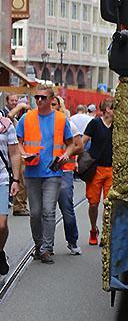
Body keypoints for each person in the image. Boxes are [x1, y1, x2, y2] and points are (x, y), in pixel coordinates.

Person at [15, 87, 76, 263]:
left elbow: (70, 143)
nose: (39, 100)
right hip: (33, 171)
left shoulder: (60, 119)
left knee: (48, 211)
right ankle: (38, 244)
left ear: (51, 99)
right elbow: (18, 142)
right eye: (37, 97)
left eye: (43, 97)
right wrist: (23, 153)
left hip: (53, 172)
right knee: (35, 212)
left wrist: (66, 155)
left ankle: (46, 249)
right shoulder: (27, 118)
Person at [51, 95, 82, 255]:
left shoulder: (69, 124)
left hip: (64, 171)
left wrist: (65, 155)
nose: (51, 106)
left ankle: (72, 241)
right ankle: (44, 246)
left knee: (66, 207)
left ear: (60, 106)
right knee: (45, 210)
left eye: (54, 104)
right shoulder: (41, 123)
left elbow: (79, 146)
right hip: (45, 171)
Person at [82, 98, 114, 245]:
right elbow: (83, 141)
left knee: (110, 204)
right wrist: (78, 158)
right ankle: (93, 229)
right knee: (93, 203)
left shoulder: (118, 125)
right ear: (107, 109)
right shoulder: (95, 123)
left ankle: (107, 233)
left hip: (112, 169)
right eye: (114, 107)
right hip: (96, 168)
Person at [0, 112, 20, 277]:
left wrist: (16, 179)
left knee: (1, 225)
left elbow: (14, 153)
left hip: (2, 179)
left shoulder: (6, 124)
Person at [5, 93, 29, 215]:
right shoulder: (5, 113)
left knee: (22, 180)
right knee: (19, 179)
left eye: (16, 101)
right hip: (11, 153)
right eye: (12, 100)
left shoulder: (20, 117)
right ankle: (18, 206)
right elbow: (8, 116)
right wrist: (20, 106)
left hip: (17, 152)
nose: (14, 103)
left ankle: (20, 205)